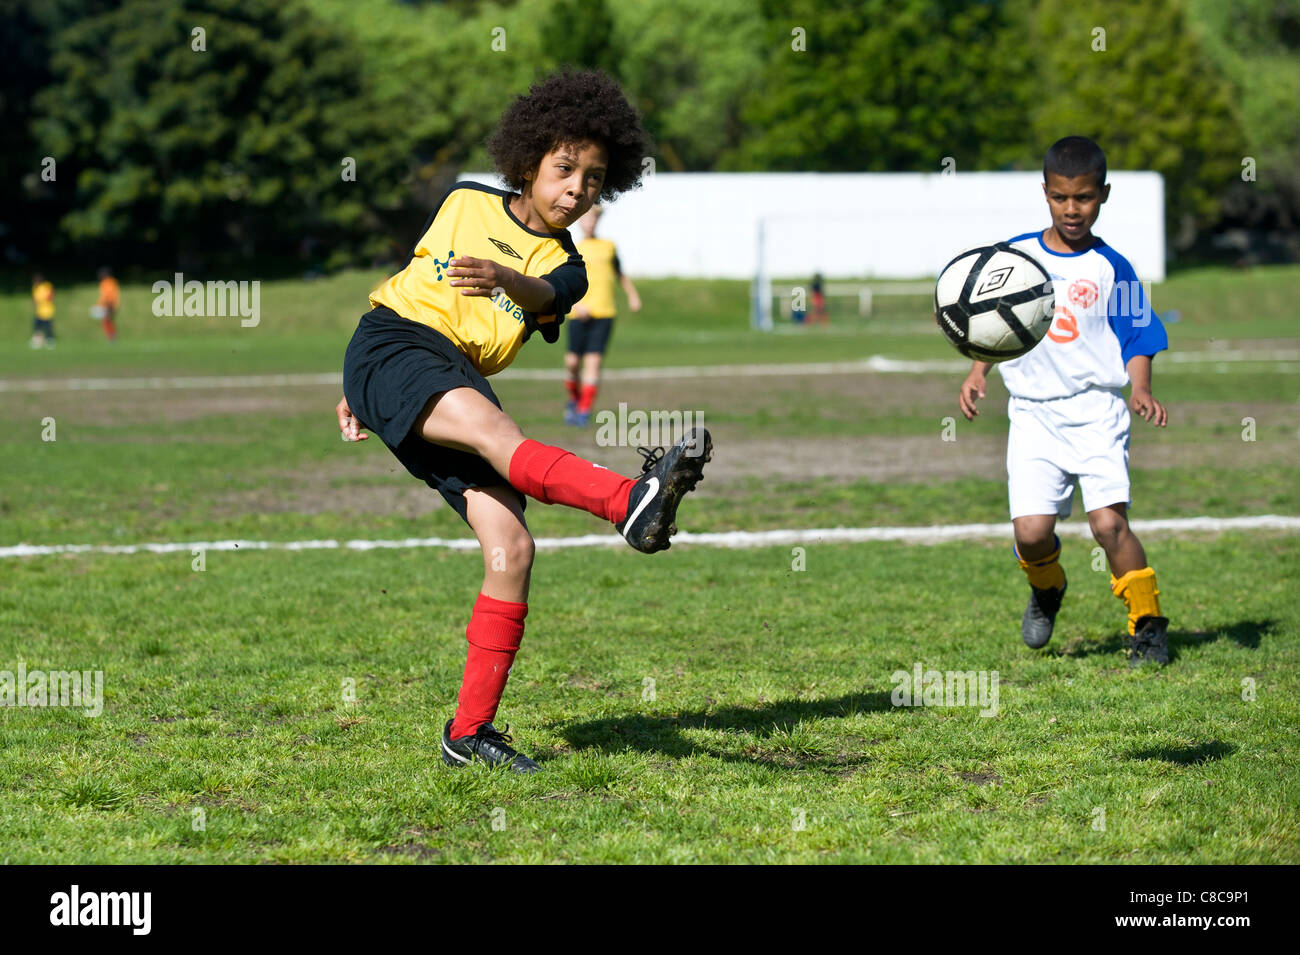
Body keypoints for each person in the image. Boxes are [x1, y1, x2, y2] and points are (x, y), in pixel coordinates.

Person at [334, 68, 711, 773]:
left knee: (510, 545)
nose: (577, 188)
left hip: (452, 375)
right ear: (530, 159)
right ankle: (630, 500)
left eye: (594, 179)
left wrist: (505, 278)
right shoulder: (465, 198)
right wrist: (363, 382)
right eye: (565, 168)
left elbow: (540, 290)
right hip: (395, 345)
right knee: (502, 440)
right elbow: (410, 287)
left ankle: (468, 732)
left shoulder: (569, 270)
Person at [957, 135, 1170, 664]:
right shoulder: (1017, 258)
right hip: (1032, 414)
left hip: (1097, 411)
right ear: (1045, 193)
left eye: (1085, 197)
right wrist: (977, 371)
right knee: (1031, 534)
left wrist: (1140, 387)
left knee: (1109, 525)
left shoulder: (1111, 267)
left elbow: (1137, 334)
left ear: (1104, 195)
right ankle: (1047, 589)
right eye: (1060, 197)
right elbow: (991, 323)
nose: (1072, 209)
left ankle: (1147, 626)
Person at [562, 204, 640, 426]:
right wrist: (575, 307)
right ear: (579, 221)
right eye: (586, 219)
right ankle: (574, 400)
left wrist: (633, 296)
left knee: (593, 363)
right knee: (572, 363)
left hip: (604, 312)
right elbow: (563, 285)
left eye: (594, 219)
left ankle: (583, 412)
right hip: (578, 314)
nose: (590, 223)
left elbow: (620, 273)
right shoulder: (571, 248)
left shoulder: (608, 246)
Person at [95, 267, 120, 342]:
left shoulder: (108, 282)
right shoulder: (106, 282)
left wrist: (109, 305)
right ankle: (111, 337)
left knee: (107, 321)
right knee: (107, 321)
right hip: (107, 305)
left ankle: (112, 338)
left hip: (109, 305)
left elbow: (109, 295)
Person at [30, 273, 55, 348]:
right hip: (39, 312)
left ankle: (50, 341)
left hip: (47, 311)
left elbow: (51, 297)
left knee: (48, 327)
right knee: (37, 327)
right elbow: (34, 299)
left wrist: (41, 300)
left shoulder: (47, 286)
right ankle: (38, 342)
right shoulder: (35, 288)